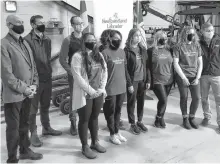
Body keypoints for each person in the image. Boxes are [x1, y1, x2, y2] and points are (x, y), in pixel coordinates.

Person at [1, 15, 43, 163]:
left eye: (22, 22)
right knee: (13, 128)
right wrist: (25, 88)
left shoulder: (24, 42)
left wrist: (34, 85)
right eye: (17, 23)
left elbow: (33, 67)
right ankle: (12, 158)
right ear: (9, 25)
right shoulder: (3, 44)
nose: (21, 24)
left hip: (28, 93)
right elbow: (7, 75)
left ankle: (24, 150)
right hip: (14, 95)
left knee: (25, 124)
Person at [25, 15, 62, 147]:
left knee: (45, 105)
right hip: (34, 80)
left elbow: (47, 58)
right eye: (40, 23)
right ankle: (33, 134)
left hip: (47, 77)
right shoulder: (26, 40)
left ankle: (46, 128)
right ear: (33, 25)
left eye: (43, 22)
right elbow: (27, 63)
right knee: (32, 109)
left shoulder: (47, 39)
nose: (43, 25)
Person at [71, 33, 107, 159]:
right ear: (83, 42)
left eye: (94, 40)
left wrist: (101, 88)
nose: (92, 42)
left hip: (98, 93)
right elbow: (78, 77)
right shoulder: (77, 56)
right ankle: (85, 146)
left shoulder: (99, 55)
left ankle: (95, 142)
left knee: (95, 118)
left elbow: (105, 71)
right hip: (85, 94)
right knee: (84, 119)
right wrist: (91, 91)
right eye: (89, 40)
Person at [173, 26, 203, 130]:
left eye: (193, 34)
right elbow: (176, 63)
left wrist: (198, 77)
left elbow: (200, 62)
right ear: (184, 34)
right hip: (183, 76)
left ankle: (192, 117)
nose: (192, 35)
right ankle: (185, 118)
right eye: (189, 33)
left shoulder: (197, 46)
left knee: (196, 98)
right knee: (184, 97)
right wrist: (183, 78)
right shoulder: (178, 46)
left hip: (194, 76)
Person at [102, 29, 128, 145]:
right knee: (110, 112)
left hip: (121, 87)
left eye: (119, 39)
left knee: (118, 111)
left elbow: (124, 69)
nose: (118, 41)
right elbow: (101, 72)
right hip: (110, 88)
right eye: (115, 39)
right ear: (110, 39)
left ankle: (117, 132)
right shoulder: (104, 53)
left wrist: (129, 84)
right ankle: (112, 134)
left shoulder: (122, 52)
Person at [59, 16, 84, 136]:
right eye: (78, 24)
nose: (81, 26)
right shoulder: (68, 40)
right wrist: (72, 72)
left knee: (86, 98)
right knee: (74, 98)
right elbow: (62, 60)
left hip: (86, 74)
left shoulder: (86, 39)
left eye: (82, 23)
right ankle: (73, 122)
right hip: (74, 75)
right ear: (73, 25)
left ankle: (84, 123)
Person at [124, 28, 150, 135]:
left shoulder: (143, 49)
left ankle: (139, 121)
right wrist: (129, 84)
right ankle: (132, 123)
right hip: (133, 81)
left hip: (142, 80)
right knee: (131, 103)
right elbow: (125, 69)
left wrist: (148, 80)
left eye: (139, 36)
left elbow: (147, 66)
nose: (138, 38)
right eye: (136, 36)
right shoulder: (126, 51)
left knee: (141, 101)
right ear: (131, 37)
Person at [147, 30, 174, 128]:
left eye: (166, 37)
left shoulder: (169, 49)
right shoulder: (151, 51)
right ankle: (159, 117)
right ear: (157, 39)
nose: (165, 39)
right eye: (163, 38)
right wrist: (149, 80)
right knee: (163, 99)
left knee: (163, 100)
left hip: (169, 79)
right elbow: (148, 67)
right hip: (157, 80)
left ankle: (160, 119)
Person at [199, 22, 220, 133]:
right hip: (204, 75)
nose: (211, 32)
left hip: (217, 74)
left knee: (219, 100)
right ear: (202, 32)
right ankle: (207, 117)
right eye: (208, 31)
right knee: (204, 98)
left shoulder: (218, 41)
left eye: (212, 30)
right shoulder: (199, 43)